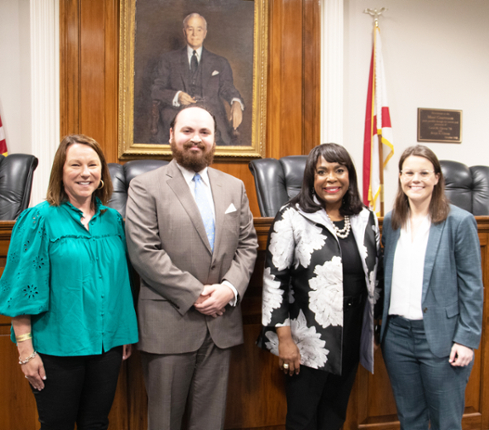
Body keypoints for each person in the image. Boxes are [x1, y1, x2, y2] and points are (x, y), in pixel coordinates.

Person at [0, 134, 139, 430]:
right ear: (60, 171)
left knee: (96, 423)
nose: (86, 172)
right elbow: (22, 290)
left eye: (93, 165)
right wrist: (25, 351)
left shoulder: (113, 221)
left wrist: (123, 333)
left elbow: (122, 284)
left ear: (102, 173)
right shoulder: (39, 219)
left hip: (106, 345)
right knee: (56, 424)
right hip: (56, 348)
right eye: (76, 165)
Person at [125, 105, 258, 430]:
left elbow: (248, 245)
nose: (195, 139)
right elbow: (144, 251)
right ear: (171, 135)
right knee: (164, 422)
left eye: (204, 132)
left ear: (214, 139)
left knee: (210, 423)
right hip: (170, 324)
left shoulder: (234, 187)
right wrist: (197, 293)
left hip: (221, 324)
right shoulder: (145, 186)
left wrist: (228, 289)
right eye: (187, 131)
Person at [257, 143, 381, 430]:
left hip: (351, 330)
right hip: (307, 334)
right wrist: (284, 339)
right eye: (322, 171)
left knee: (335, 414)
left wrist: (372, 327)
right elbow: (274, 278)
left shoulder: (365, 218)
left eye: (339, 170)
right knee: (302, 417)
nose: (331, 178)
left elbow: (376, 275)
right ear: (311, 178)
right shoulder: (292, 216)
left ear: (349, 175)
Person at [379, 145, 483, 429]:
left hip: (441, 338)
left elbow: (472, 286)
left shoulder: (459, 222)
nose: (416, 179)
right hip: (397, 337)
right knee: (409, 419)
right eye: (409, 172)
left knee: (445, 423)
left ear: (437, 178)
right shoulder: (391, 221)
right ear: (400, 177)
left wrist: (466, 339)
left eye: (424, 173)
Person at [151, 12, 244, 146]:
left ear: (205, 33)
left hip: (212, 118)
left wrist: (235, 102)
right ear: (184, 32)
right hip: (176, 116)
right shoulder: (168, 60)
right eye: (190, 29)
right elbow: (156, 90)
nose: (195, 34)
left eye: (199, 29)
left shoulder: (220, 62)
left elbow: (228, 88)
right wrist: (177, 96)